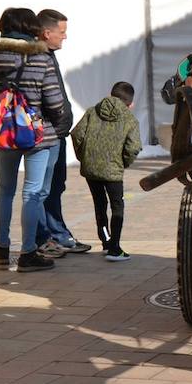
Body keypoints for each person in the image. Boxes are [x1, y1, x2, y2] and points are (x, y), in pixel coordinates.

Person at [0, 7, 69, 272]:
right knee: (32, 194)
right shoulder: (40, 59)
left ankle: (1, 247)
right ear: (30, 29)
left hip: (5, 138)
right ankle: (28, 252)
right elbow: (55, 103)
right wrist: (45, 123)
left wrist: (1, 119)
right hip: (39, 136)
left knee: (5, 190)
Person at [34, 9, 91, 258]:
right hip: (47, 136)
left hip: (57, 134)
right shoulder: (37, 57)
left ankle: (58, 234)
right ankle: (43, 239)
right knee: (40, 190)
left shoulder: (49, 54)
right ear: (47, 33)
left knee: (55, 187)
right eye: (62, 32)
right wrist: (55, 121)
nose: (64, 37)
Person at [70, 81, 142, 262]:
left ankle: (106, 241)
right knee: (117, 206)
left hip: (91, 169)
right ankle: (115, 248)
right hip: (113, 171)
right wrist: (122, 163)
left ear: (111, 94)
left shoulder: (92, 111)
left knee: (99, 204)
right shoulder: (130, 119)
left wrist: (84, 157)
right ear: (130, 103)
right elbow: (133, 147)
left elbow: (76, 134)